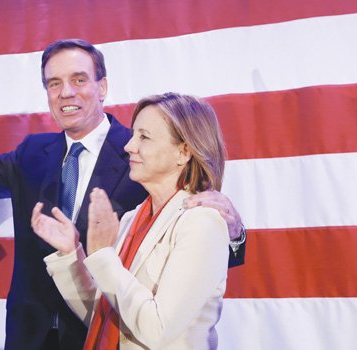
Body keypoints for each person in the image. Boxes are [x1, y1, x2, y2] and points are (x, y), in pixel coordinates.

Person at [0, 38, 245, 349]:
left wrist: (234, 232)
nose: (65, 92)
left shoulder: (145, 156)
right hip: (33, 335)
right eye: (54, 83)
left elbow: (196, 255)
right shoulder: (31, 153)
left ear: (102, 87)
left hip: (111, 334)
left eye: (78, 79)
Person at [32, 92, 229, 349]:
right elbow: (107, 316)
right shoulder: (131, 219)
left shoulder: (201, 223)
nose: (128, 146)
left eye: (144, 137)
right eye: (134, 134)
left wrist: (103, 255)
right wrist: (71, 255)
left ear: (183, 152)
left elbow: (157, 330)